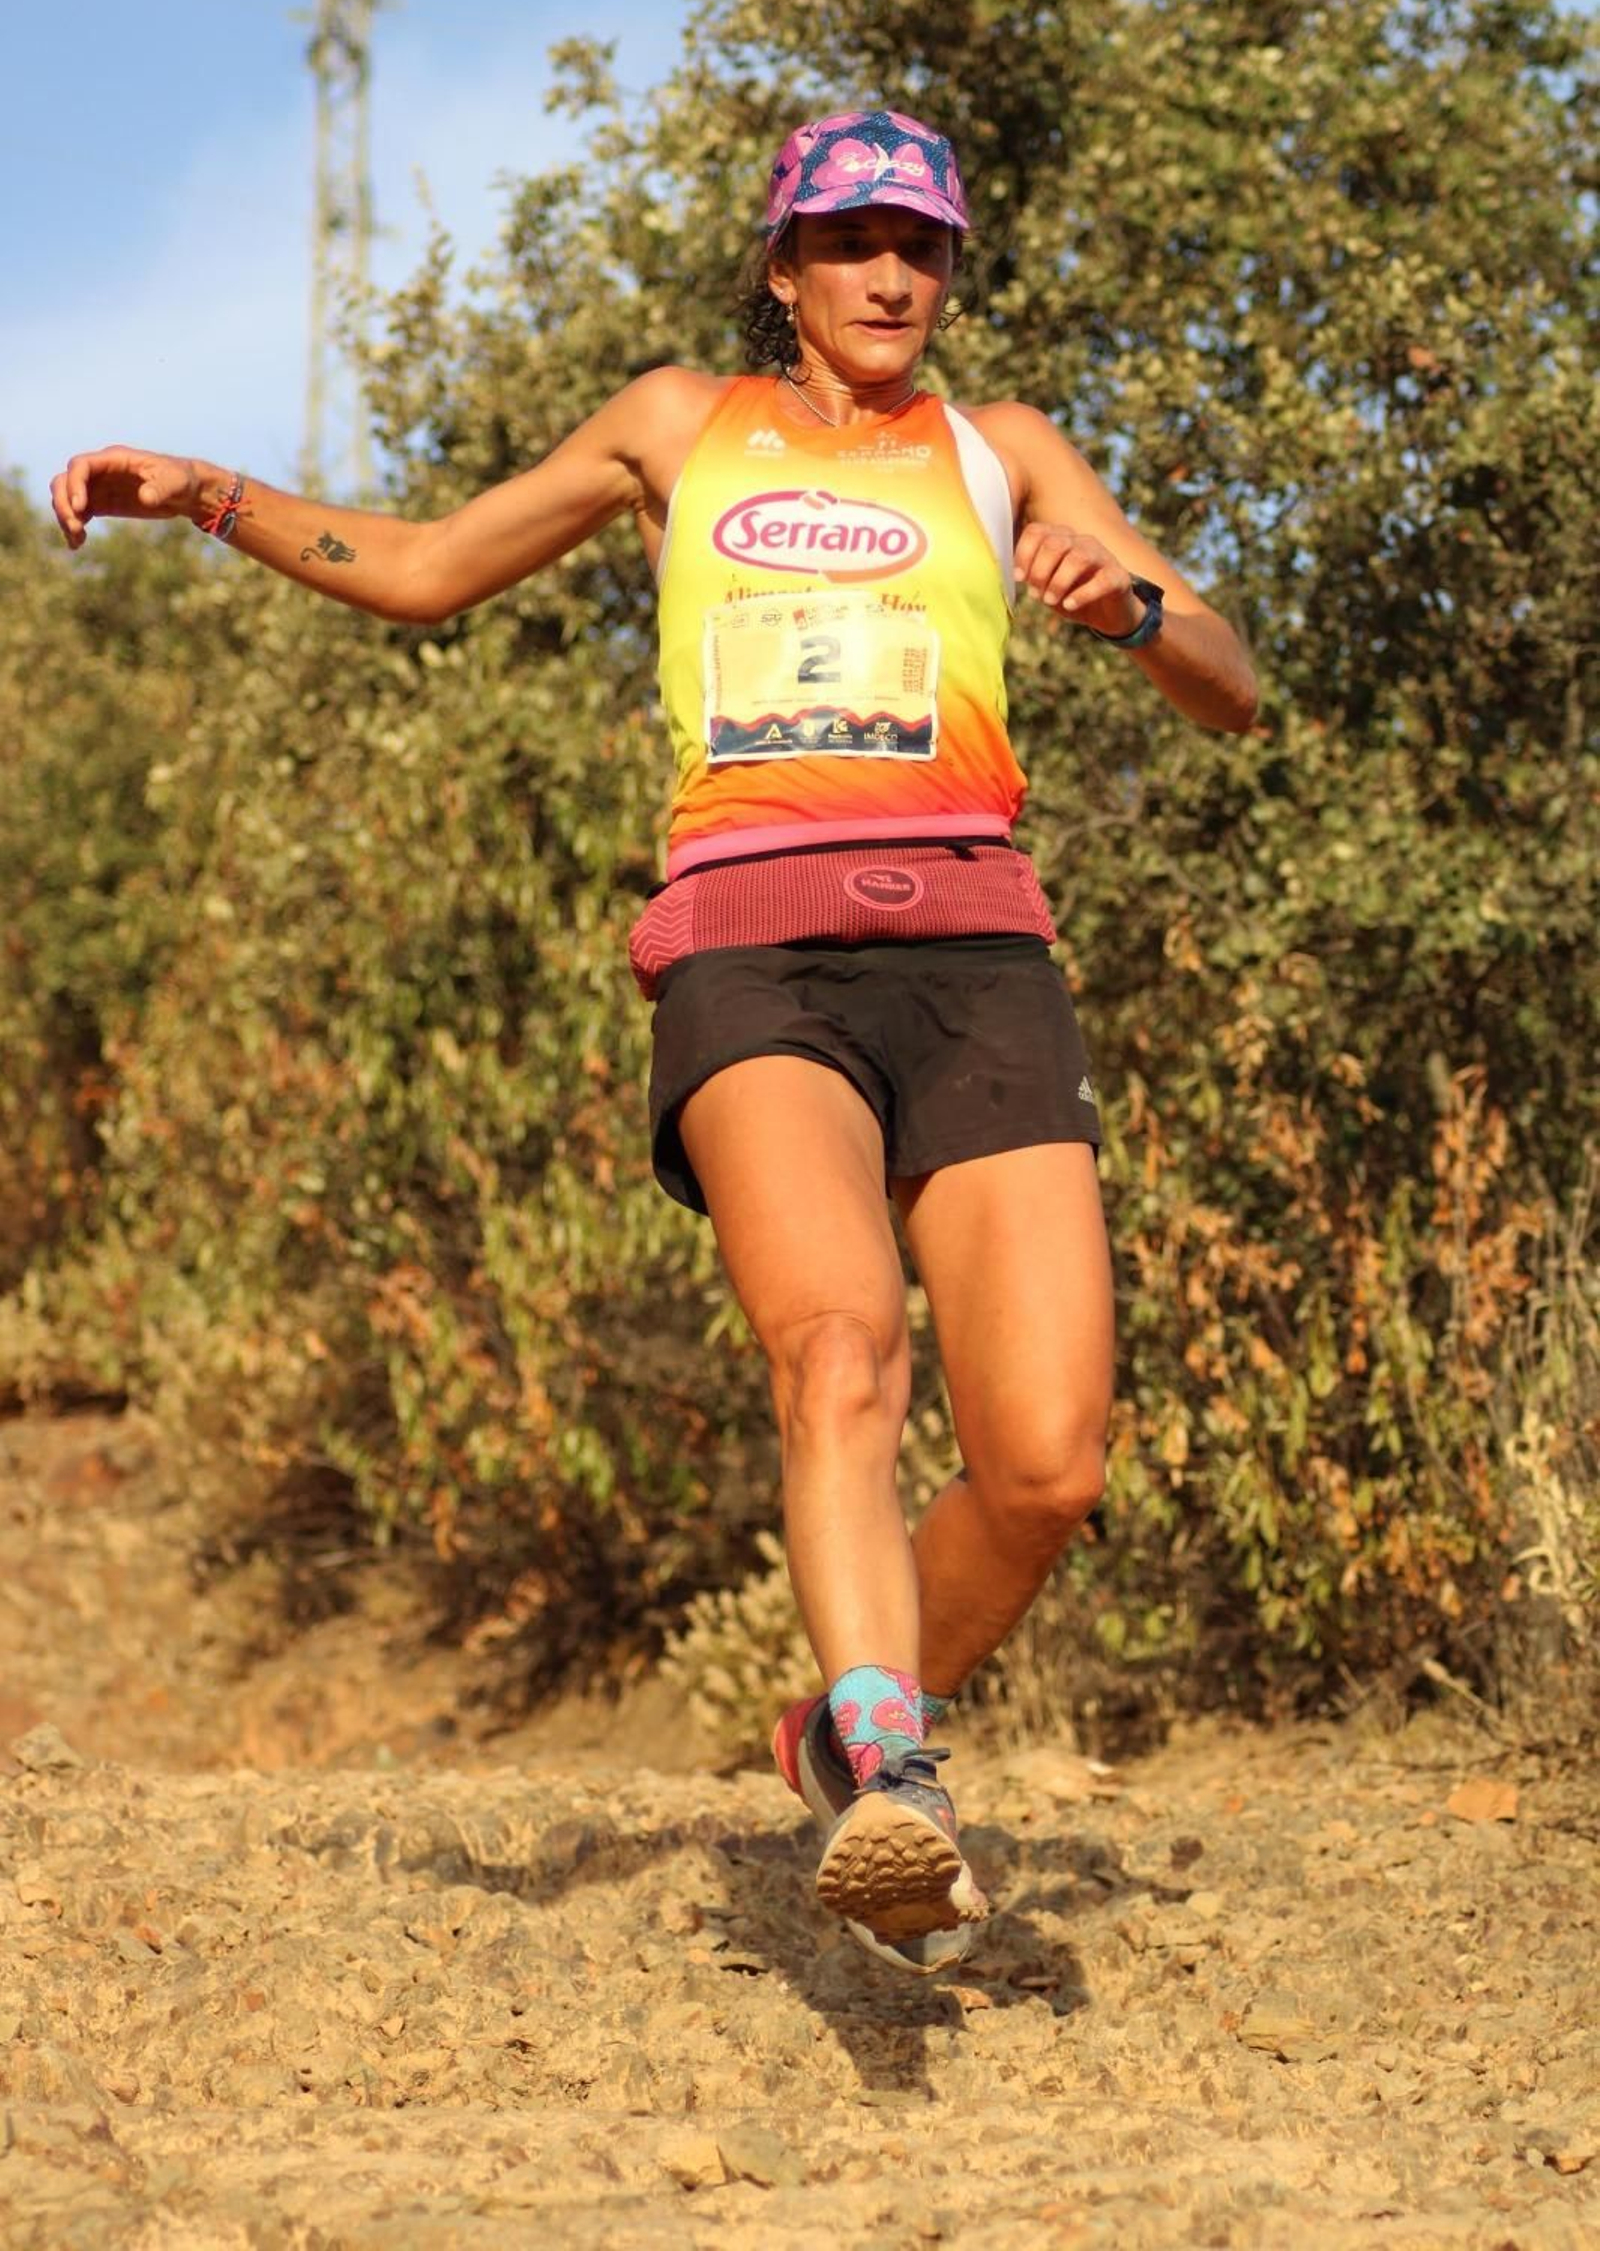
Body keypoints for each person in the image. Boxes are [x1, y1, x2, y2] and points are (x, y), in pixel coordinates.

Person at [53, 108, 1257, 1975]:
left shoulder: (1002, 450)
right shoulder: (681, 425)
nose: (889, 274)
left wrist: (1139, 606)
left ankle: (836, 1730)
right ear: (783, 265)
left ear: (951, 270)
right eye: (849, 240)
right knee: (840, 1351)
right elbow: (424, 564)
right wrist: (210, 493)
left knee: (1048, 1469)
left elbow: (1232, 688)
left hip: (978, 952)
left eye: (921, 245)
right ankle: (894, 1779)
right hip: (753, 950)